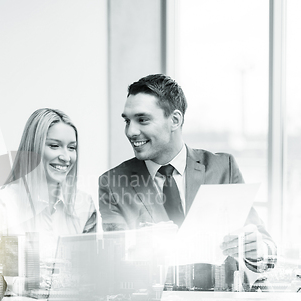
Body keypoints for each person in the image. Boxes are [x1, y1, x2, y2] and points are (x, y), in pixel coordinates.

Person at [98, 74, 276, 289]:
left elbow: (268, 251)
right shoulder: (113, 182)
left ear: (175, 120)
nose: (131, 131)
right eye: (127, 120)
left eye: (142, 120)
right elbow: (113, 264)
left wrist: (257, 251)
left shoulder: (223, 168)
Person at [0, 108, 97, 291]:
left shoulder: (84, 205)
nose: (66, 157)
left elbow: (91, 271)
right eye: (54, 146)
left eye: (72, 148)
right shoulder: (0, 202)